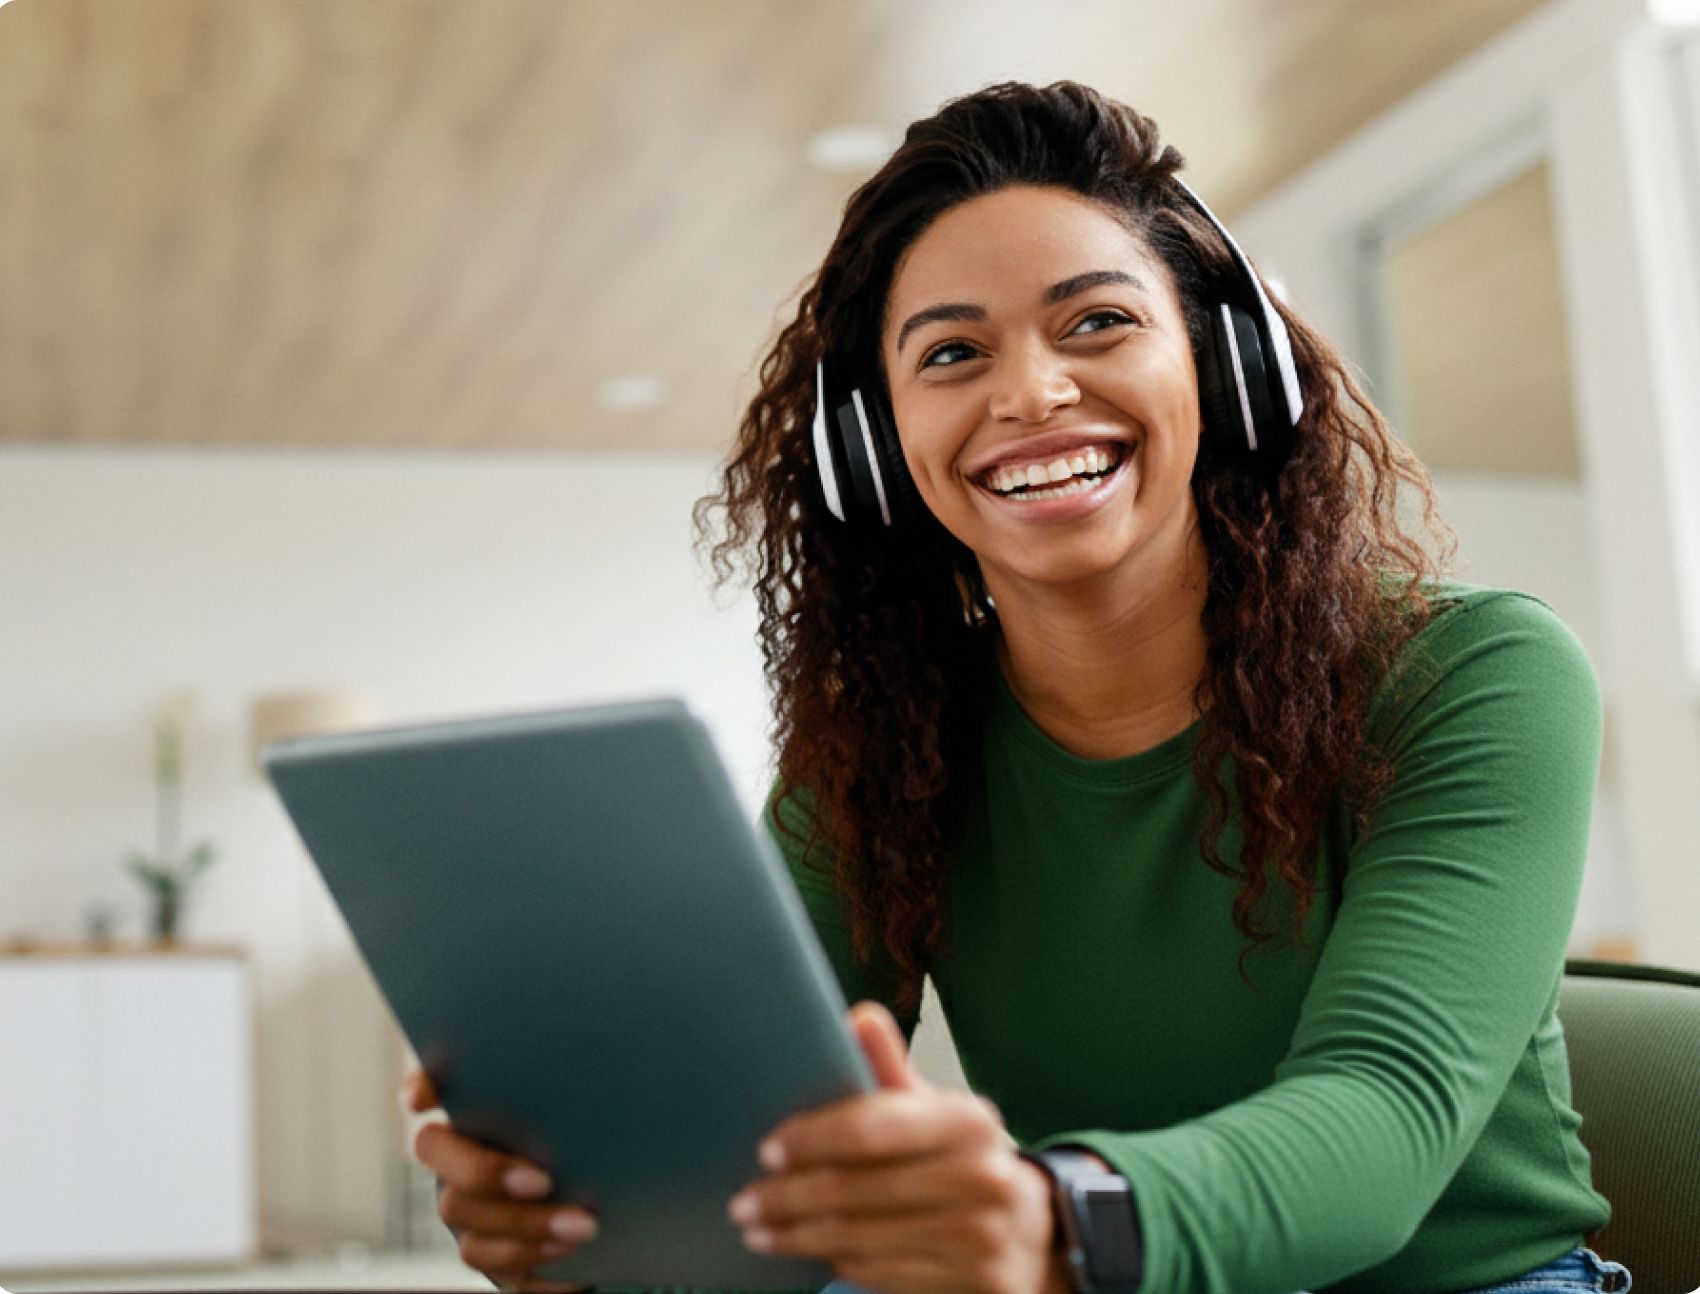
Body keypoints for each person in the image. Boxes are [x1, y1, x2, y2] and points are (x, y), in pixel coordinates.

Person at [406, 81, 1629, 1294]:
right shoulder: (886, 744)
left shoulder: (1476, 674)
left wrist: (1056, 1214)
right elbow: (753, 1128)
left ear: (1221, 364)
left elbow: (1385, 1115)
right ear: (873, 451)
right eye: (950, 353)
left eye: (1095, 322)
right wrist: (591, 1209)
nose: (1028, 395)